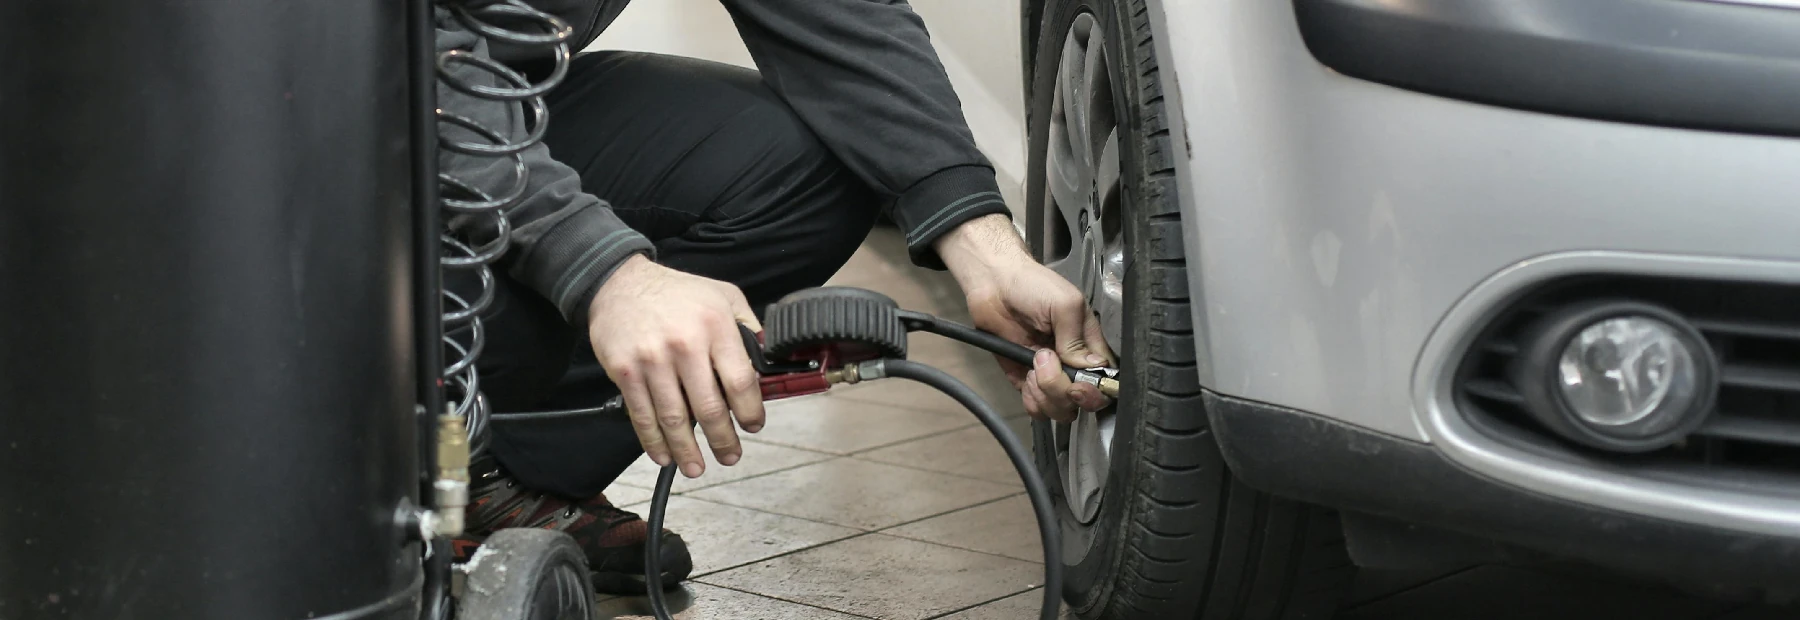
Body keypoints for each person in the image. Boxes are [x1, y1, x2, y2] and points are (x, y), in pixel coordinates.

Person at [437, 0, 1114, 593]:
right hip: (364, 127)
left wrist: (983, 246)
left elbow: (836, 15)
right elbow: (392, 64)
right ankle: (385, 446)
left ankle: (493, 468)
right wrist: (606, 272)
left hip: (492, 95)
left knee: (806, 169)